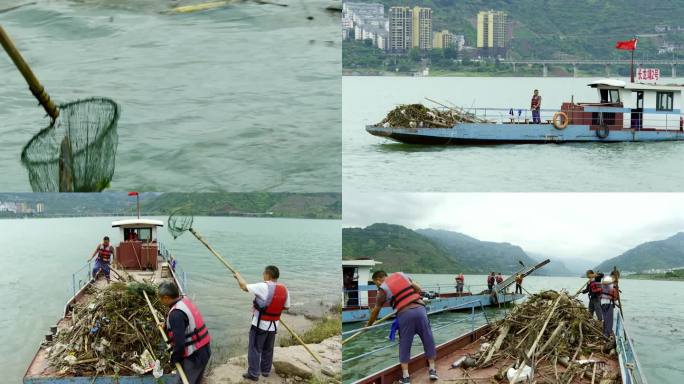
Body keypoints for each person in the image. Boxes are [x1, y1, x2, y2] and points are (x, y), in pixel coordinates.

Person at [367, 271, 437, 383]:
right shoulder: (401, 275)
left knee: (404, 344)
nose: (377, 286)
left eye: (376, 283)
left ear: (379, 279)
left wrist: (368, 325)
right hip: (420, 310)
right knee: (428, 339)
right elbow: (418, 289)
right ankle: (432, 370)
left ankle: (406, 377)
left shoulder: (382, 289)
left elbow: (376, 310)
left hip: (405, 314)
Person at [233, 266, 290, 382]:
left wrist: (238, 276)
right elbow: (287, 307)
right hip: (274, 325)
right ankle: (265, 371)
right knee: (268, 349)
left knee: (255, 348)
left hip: (260, 325)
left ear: (268, 274)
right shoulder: (284, 289)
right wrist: (273, 309)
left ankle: (253, 373)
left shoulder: (263, 286)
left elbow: (244, 287)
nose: (263, 275)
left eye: (264, 273)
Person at [159, 281, 211, 384]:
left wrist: (175, 359)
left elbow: (179, 343)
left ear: (166, 297)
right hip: (204, 349)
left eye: (160, 298)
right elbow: (185, 324)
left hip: (195, 356)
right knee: (195, 381)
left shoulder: (175, 314)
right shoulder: (184, 301)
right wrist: (165, 326)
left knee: (183, 381)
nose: (160, 300)